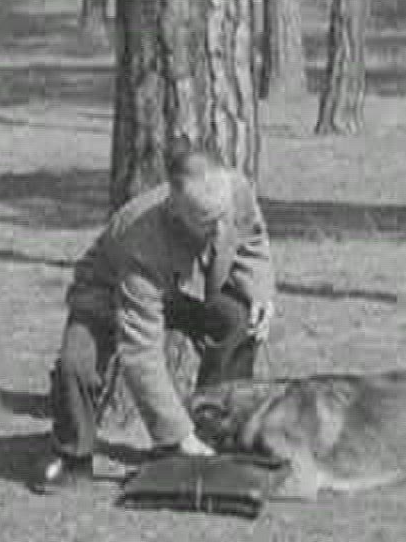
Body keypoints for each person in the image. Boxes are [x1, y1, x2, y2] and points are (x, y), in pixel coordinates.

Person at [31, 145, 276, 494]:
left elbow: (252, 238)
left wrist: (260, 290)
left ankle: (216, 433)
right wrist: (177, 434)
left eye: (223, 216)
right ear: (175, 208)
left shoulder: (234, 190)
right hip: (109, 291)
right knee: (77, 364)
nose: (221, 229)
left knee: (237, 318)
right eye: (208, 222)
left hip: (181, 285)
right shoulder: (141, 240)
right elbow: (140, 351)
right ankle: (73, 455)